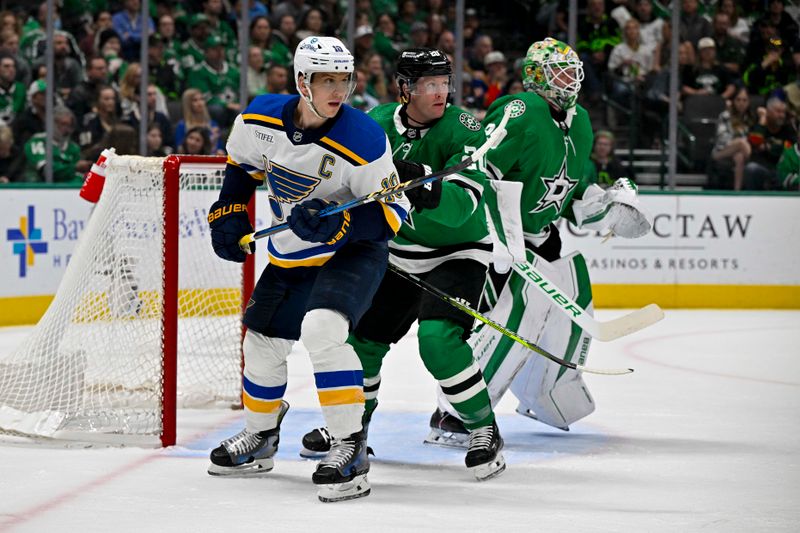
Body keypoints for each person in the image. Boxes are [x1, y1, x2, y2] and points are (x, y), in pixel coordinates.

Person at [206, 36, 409, 503]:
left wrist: (337, 223)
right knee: (260, 340)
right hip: (291, 252)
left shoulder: (363, 138)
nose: (339, 90)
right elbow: (241, 168)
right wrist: (229, 213)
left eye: (345, 79)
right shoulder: (259, 117)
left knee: (321, 330)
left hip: (353, 254)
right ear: (302, 81)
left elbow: (391, 215)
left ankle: (349, 446)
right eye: (327, 80)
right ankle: (260, 437)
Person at [300, 48, 507, 481]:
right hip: (396, 253)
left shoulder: (466, 128)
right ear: (406, 88)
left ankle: (484, 428)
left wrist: (423, 188)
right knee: (362, 344)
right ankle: (353, 429)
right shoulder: (375, 123)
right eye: (429, 85)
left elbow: (464, 207)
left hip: (458, 251)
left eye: (445, 83)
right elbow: (343, 182)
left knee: (438, 342)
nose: (440, 93)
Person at [428, 38, 651, 439]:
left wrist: (607, 205)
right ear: (536, 77)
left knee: (576, 292)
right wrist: (500, 237)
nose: (570, 80)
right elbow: (480, 174)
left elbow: (571, 189)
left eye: (573, 71)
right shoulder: (520, 111)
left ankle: (548, 393)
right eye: (559, 72)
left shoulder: (579, 120)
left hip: (543, 235)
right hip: (500, 235)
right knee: (521, 312)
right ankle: (456, 410)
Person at [708, 87, 757, 190]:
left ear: (748, 102)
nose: (741, 103)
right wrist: (737, 142)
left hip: (740, 152)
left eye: (744, 100)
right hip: (721, 152)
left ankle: (737, 191)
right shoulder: (725, 116)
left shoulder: (750, 118)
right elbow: (722, 139)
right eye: (738, 100)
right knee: (741, 143)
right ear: (733, 101)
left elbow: (753, 138)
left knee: (739, 156)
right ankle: (753, 160)